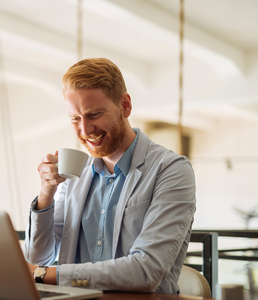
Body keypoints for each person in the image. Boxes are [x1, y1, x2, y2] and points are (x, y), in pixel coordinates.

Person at [25, 57, 196, 294]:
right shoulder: (76, 174)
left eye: (94, 114)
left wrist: (47, 275)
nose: (85, 130)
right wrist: (46, 193)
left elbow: (146, 271)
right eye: (75, 118)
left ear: (125, 106)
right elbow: (39, 257)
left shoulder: (171, 170)